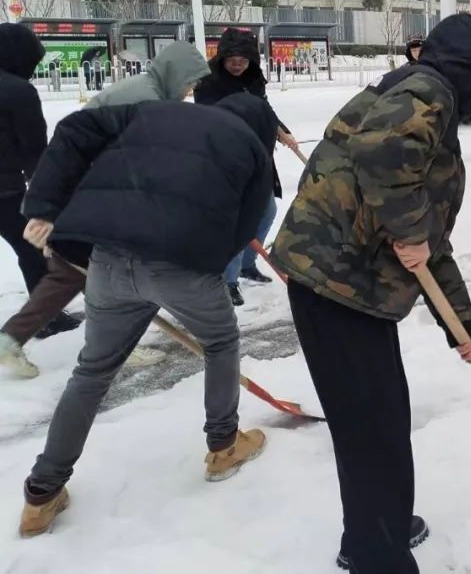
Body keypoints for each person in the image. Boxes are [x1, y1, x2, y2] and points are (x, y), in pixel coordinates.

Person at [271, 13, 471, 574]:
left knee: (378, 422)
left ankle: (378, 529)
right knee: (372, 430)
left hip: (349, 285)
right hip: (336, 283)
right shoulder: (428, 91)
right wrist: (410, 231)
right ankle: (376, 555)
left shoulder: (420, 95)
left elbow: (426, 238)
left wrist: (460, 324)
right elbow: (383, 157)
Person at [16, 94, 276, 538]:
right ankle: (224, 446)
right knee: (220, 342)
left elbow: (74, 128)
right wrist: (200, 268)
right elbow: (245, 227)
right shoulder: (252, 146)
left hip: (109, 258)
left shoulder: (152, 110)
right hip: (182, 265)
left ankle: (42, 492)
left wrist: (44, 204)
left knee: (92, 371)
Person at [0, 41, 211, 378]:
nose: (190, 91)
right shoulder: (145, 98)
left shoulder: (148, 91)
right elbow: (137, 158)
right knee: (114, 268)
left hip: (94, 190)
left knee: (77, 270)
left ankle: (11, 339)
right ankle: (117, 343)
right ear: (176, 74)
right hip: (96, 191)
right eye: (190, 82)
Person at [194, 27, 295, 306]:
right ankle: (228, 280)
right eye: (232, 60)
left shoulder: (253, 79)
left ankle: (247, 264)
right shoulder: (209, 83)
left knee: (267, 210)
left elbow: (264, 109)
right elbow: (211, 120)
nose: (238, 64)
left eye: (243, 59)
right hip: (228, 159)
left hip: (258, 155)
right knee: (239, 219)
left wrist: (281, 131)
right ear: (222, 59)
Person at [0, 24, 49, 299]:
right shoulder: (19, 91)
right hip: (5, 190)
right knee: (34, 247)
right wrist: (47, 195)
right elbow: (34, 150)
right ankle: (46, 315)